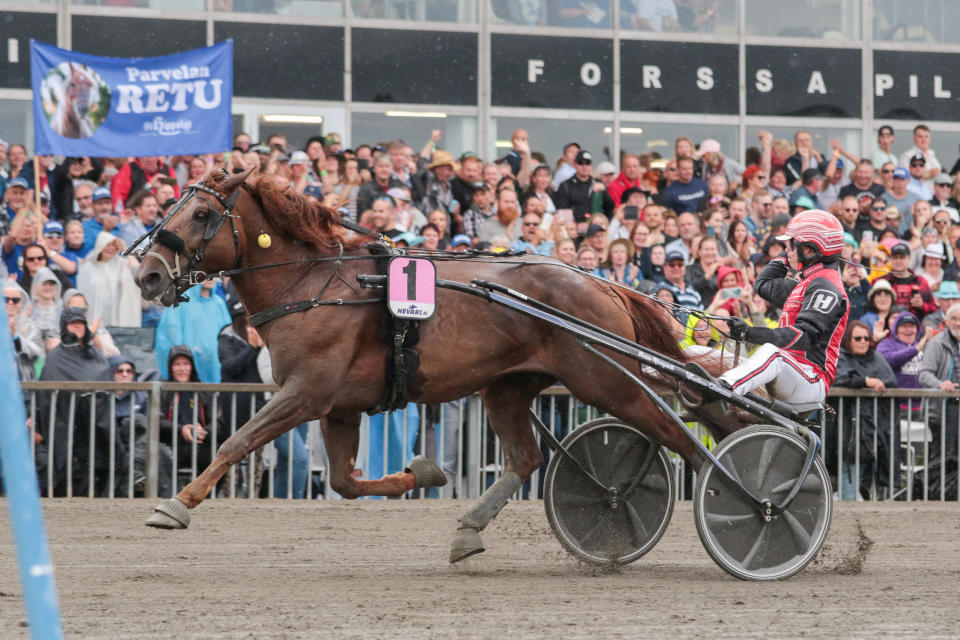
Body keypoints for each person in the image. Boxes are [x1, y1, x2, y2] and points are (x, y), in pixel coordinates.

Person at [722, 210, 850, 404]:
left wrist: (749, 333)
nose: (786, 250)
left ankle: (722, 390)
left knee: (771, 352)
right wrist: (790, 254)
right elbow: (762, 284)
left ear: (809, 250)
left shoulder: (827, 285)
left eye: (790, 245)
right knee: (709, 355)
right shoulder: (804, 283)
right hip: (789, 371)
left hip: (811, 378)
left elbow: (804, 338)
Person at [37, 307, 114, 496]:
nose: (77, 327)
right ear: (65, 327)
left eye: (81, 323)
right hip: (66, 421)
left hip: (95, 420)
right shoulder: (56, 356)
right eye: (73, 323)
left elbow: (103, 375)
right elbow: (47, 390)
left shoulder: (94, 353)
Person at [830, 321, 900, 500]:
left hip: (874, 430)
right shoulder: (841, 357)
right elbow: (839, 377)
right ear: (848, 340)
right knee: (849, 472)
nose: (863, 342)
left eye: (866, 338)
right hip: (847, 430)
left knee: (868, 481)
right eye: (858, 338)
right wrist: (866, 381)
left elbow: (890, 381)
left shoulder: (877, 358)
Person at [108, 354, 174, 497]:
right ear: (111, 373)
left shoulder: (142, 396)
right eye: (120, 371)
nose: (125, 375)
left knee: (161, 451)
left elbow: (149, 425)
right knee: (135, 422)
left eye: (129, 371)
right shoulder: (103, 396)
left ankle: (139, 478)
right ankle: (168, 496)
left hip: (138, 442)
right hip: (114, 441)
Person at [159, 345, 222, 480]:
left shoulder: (203, 391)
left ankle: (208, 498)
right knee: (159, 455)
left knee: (220, 456)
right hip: (170, 445)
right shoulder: (162, 391)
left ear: (192, 366)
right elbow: (156, 421)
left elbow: (218, 420)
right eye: (177, 364)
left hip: (200, 444)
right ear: (170, 367)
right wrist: (181, 429)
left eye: (186, 364)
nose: (182, 369)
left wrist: (205, 431)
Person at [917, 304, 960, 499]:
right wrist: (941, 384)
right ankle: (936, 494)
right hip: (943, 408)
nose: (958, 323)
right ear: (947, 321)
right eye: (955, 319)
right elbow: (924, 374)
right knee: (944, 455)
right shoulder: (936, 343)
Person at [154, 279, 232, 383]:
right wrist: (183, 360)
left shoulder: (219, 304)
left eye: (213, 276)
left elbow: (228, 336)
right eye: (205, 276)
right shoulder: (181, 301)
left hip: (215, 368)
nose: (209, 279)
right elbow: (169, 336)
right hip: (187, 371)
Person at [76, 232, 141, 328]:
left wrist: (125, 249)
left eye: (114, 245)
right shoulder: (88, 267)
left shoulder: (123, 265)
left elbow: (137, 272)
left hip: (118, 320)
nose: (111, 248)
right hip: (94, 319)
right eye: (107, 245)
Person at [879, 242, 937, 321]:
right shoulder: (881, 282)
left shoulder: (921, 281)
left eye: (902, 257)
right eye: (895, 257)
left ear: (909, 259)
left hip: (913, 328)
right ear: (891, 259)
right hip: (888, 328)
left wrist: (922, 305)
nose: (898, 261)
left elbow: (934, 308)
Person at [5, 281, 43, 380]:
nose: (10, 303)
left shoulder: (32, 328)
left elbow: (35, 355)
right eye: (5, 299)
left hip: (24, 385)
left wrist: (15, 337)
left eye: (15, 300)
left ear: (21, 302)